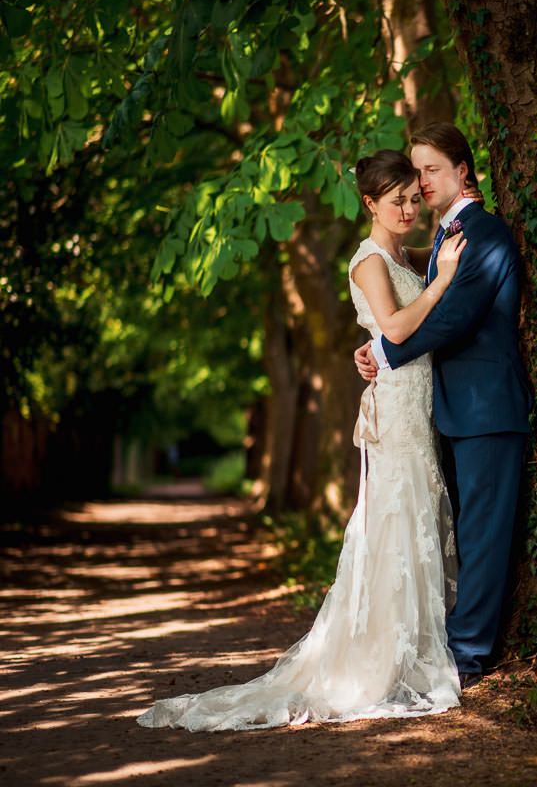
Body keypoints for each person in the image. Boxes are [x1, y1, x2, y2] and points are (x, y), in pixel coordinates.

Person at [137, 150, 470, 731]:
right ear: (370, 204)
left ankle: (414, 645)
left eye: (415, 198)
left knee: (412, 512)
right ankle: (383, 657)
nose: (411, 209)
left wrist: (390, 325)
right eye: (398, 202)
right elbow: (393, 325)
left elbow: (387, 327)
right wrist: (439, 283)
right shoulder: (369, 258)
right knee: (394, 514)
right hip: (396, 409)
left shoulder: (403, 252)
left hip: (416, 396)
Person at [355, 123, 531, 689]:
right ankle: (449, 645)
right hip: (451, 410)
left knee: (482, 536)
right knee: (460, 533)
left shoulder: (485, 234)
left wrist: (385, 348)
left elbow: (454, 318)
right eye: (415, 171)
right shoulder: (443, 238)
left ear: (463, 170)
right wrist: (380, 342)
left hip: (487, 409)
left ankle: (470, 658)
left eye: (431, 169)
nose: (421, 181)